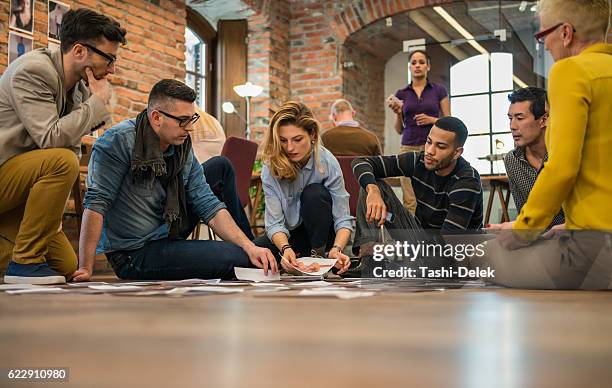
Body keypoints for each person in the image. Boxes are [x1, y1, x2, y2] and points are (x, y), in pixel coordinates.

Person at [72, 80, 276, 282]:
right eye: (183, 120)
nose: (190, 128)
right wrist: (85, 267)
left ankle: (254, 250)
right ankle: (250, 256)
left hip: (167, 230)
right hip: (134, 252)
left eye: (192, 119)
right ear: (156, 117)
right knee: (237, 257)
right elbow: (97, 203)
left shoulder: (181, 147)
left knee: (220, 168)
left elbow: (207, 203)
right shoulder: (117, 142)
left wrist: (250, 247)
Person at [480, 0, 612, 290]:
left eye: (542, 36)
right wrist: (571, 223)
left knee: (482, 256)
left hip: (595, 250)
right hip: (593, 234)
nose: (545, 46)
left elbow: (563, 167)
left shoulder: (571, 71)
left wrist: (525, 228)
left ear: (565, 33)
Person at [0, 8, 126, 284]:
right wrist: (97, 102)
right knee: (61, 161)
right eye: (109, 58)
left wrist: (51, 212)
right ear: (80, 51)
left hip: (22, 189)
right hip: (5, 178)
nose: (113, 68)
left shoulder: (78, 88)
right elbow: (52, 139)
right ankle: (24, 264)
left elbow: (73, 147)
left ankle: (16, 249)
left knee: (69, 267)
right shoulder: (33, 70)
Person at [352, 116, 483, 253]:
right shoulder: (418, 161)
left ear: (457, 153)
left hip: (453, 255)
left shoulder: (467, 181)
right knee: (371, 184)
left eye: (440, 146)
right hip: (419, 239)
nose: (430, 151)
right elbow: (361, 162)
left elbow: (446, 245)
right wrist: (373, 190)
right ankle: (367, 257)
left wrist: (387, 249)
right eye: (429, 142)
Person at [254, 101, 352, 274]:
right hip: (290, 238)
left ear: (312, 134)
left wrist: (337, 249)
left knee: (314, 193)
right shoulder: (270, 167)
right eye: (283, 141)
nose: (290, 148)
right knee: (252, 256)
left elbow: (342, 218)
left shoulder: (327, 162)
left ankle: (319, 258)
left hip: (322, 237)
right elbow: (274, 224)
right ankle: (298, 258)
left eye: (297, 139)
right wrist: (285, 249)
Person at [387, 50, 450, 213]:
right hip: (408, 148)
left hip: (433, 149)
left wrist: (432, 120)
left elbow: (449, 121)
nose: (417, 66)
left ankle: (435, 237)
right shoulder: (401, 94)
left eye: (421, 62)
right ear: (409, 67)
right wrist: (399, 114)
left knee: (435, 196)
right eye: (414, 63)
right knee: (410, 199)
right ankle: (413, 237)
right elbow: (399, 129)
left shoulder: (439, 90)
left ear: (428, 66)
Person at [501, 87, 564, 229]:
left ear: (544, 120)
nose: (512, 126)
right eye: (510, 119)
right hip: (537, 239)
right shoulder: (512, 160)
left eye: (519, 118)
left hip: (577, 237)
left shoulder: (563, 154)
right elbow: (523, 216)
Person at [191, 106, 253, 240]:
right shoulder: (214, 123)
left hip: (210, 191)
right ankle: (249, 240)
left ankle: (248, 243)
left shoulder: (191, 127)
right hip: (230, 192)